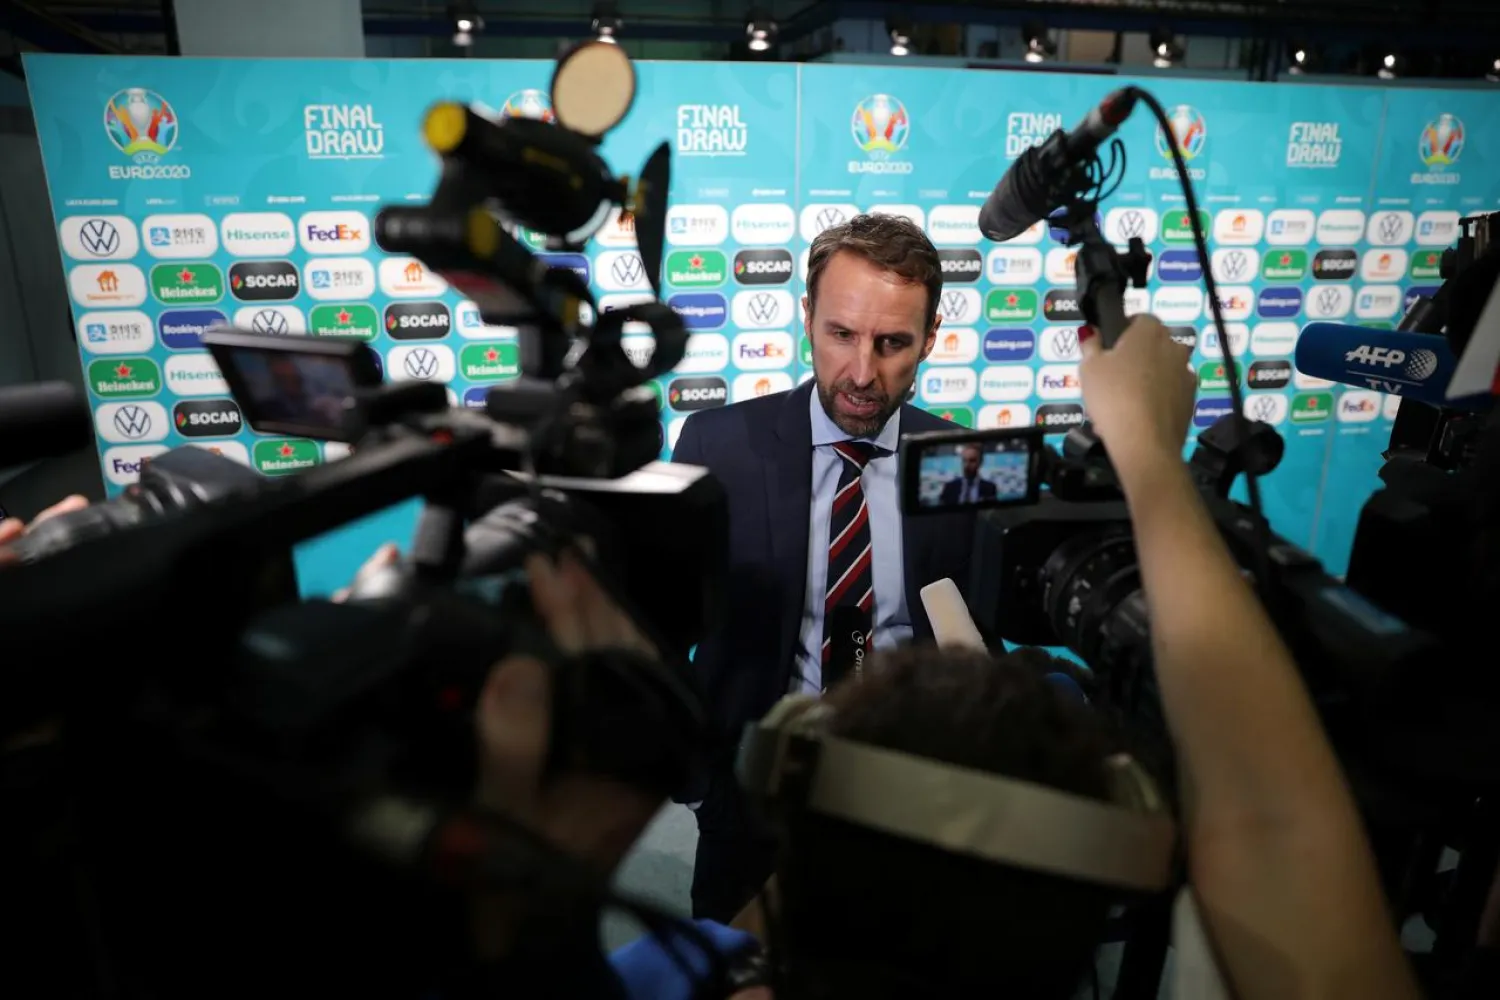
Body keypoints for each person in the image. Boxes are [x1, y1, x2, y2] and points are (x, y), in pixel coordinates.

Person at [670, 213, 975, 921]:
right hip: (752, 788)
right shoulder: (717, 445)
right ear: (807, 316)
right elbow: (669, 623)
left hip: (911, 796)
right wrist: (702, 783)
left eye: (892, 343)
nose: (863, 373)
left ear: (931, 338)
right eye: (841, 334)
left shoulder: (961, 459)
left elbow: (974, 628)